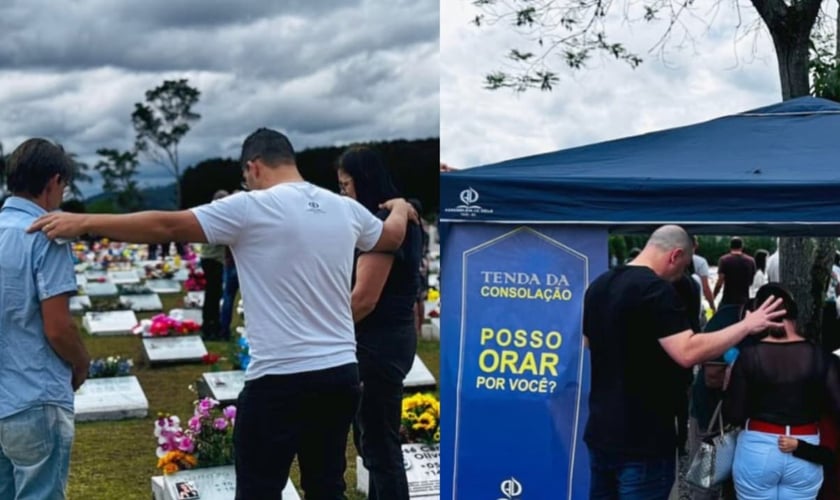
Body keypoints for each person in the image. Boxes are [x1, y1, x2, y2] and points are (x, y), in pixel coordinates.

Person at [28, 127, 418, 499]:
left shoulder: (251, 206)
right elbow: (392, 236)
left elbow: (167, 226)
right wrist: (400, 207)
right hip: (339, 374)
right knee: (327, 487)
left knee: (258, 489)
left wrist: (84, 222)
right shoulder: (342, 208)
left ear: (253, 167)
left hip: (280, 378)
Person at [583, 224, 786, 499]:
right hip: (644, 436)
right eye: (684, 265)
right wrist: (747, 325)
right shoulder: (656, 291)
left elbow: (588, 341)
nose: (682, 275)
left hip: (601, 431)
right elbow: (687, 351)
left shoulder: (599, 285)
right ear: (675, 255)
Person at [0, 138, 91, 499]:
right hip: (35, 394)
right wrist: (82, 363)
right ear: (54, 182)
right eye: (64, 187)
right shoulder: (46, 234)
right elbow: (57, 327)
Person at [337, 146, 423, 500]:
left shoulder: (382, 226)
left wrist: (327, 330)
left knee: (378, 445)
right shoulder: (404, 217)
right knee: (375, 441)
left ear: (363, 181)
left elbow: (364, 299)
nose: (343, 193)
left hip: (377, 345)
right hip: (395, 338)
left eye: (345, 185)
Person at [724, 282, 840, 500]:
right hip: (806, 447)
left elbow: (734, 414)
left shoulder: (749, 357)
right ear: (794, 314)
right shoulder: (823, 358)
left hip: (758, 446)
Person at [199, 189, 228, 340]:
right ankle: (211, 326)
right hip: (214, 259)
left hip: (208, 258)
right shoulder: (218, 218)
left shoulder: (208, 215)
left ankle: (209, 325)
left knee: (212, 294)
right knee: (213, 295)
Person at [713, 237, 756, 307]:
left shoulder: (724, 260)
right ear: (742, 247)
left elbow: (720, 282)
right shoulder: (751, 261)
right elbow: (751, 282)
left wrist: (713, 297)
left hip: (727, 300)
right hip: (744, 301)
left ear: (730, 246)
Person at [692, 236, 717, 315]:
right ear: (696, 245)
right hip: (695, 305)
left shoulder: (672, 259)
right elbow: (705, 288)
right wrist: (712, 307)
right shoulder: (701, 262)